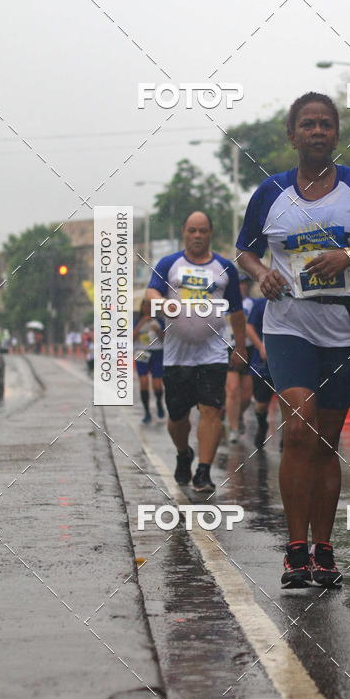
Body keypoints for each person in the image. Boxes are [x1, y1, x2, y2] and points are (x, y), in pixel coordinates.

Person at [236, 92, 350, 588]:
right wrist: (263, 271)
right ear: (292, 136)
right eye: (307, 125)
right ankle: (293, 552)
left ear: (336, 134)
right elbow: (244, 250)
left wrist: (349, 259)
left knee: (327, 442)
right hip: (289, 323)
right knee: (300, 430)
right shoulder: (270, 192)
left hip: (346, 328)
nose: (317, 131)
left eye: (326, 124)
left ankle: (324, 551)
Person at [146, 211, 246, 493]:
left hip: (212, 352)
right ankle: (183, 453)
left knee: (211, 410)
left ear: (210, 233)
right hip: (176, 355)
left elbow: (236, 312)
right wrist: (163, 304)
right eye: (192, 230)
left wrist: (239, 347)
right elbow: (151, 294)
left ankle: (203, 470)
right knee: (177, 418)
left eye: (203, 230)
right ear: (184, 233)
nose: (198, 236)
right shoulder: (169, 264)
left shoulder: (226, 267)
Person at [225, 275, 255, 443]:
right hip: (228, 346)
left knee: (246, 395)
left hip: (248, 348)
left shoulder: (252, 304)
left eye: (245, 284)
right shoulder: (222, 302)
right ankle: (233, 428)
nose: (242, 288)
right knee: (233, 389)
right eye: (239, 284)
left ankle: (238, 416)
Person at [245, 296, 275, 450]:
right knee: (261, 404)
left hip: (287, 359)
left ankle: (287, 439)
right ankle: (262, 424)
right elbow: (249, 327)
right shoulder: (261, 304)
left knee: (289, 401)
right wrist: (260, 346)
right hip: (263, 362)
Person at [133, 299, 165, 424]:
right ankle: (147, 412)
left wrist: (157, 330)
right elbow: (132, 337)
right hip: (141, 352)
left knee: (157, 384)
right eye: (144, 306)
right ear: (141, 308)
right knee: (144, 381)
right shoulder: (136, 321)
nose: (146, 309)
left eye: (149, 306)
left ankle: (159, 403)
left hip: (157, 352)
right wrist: (141, 324)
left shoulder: (159, 321)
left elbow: (165, 338)